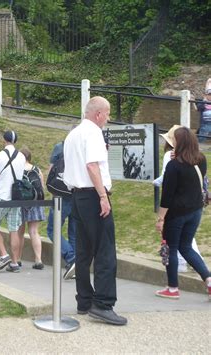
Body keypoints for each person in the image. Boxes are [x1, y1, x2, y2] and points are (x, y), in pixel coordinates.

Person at [63, 96, 127, 326]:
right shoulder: (93, 133)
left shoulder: (73, 134)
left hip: (77, 195)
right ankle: (103, 303)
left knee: (84, 250)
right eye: (107, 114)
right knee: (105, 250)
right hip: (92, 195)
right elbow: (92, 165)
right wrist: (103, 196)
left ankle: (85, 299)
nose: (108, 119)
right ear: (99, 114)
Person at [155, 127, 211, 300]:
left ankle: (172, 288)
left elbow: (167, 195)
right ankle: (209, 280)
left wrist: (161, 218)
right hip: (195, 211)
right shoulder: (201, 159)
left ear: (180, 143)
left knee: (171, 248)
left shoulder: (174, 165)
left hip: (176, 213)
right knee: (185, 247)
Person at [0, 130, 26, 273]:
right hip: (16, 197)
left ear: (4, 140)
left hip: (1, 195)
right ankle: (14, 263)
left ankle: (4, 255)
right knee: (13, 229)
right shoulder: (21, 156)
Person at [46, 141, 76, 280]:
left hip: (61, 195)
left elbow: (52, 170)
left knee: (53, 229)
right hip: (78, 193)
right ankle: (76, 267)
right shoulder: (83, 146)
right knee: (74, 232)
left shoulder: (61, 146)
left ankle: (71, 258)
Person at [17, 147, 45, 270]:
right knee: (34, 231)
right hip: (35, 202)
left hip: (21, 203)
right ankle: (38, 260)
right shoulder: (37, 169)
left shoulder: (17, 170)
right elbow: (42, 187)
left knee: (20, 232)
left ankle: (17, 259)